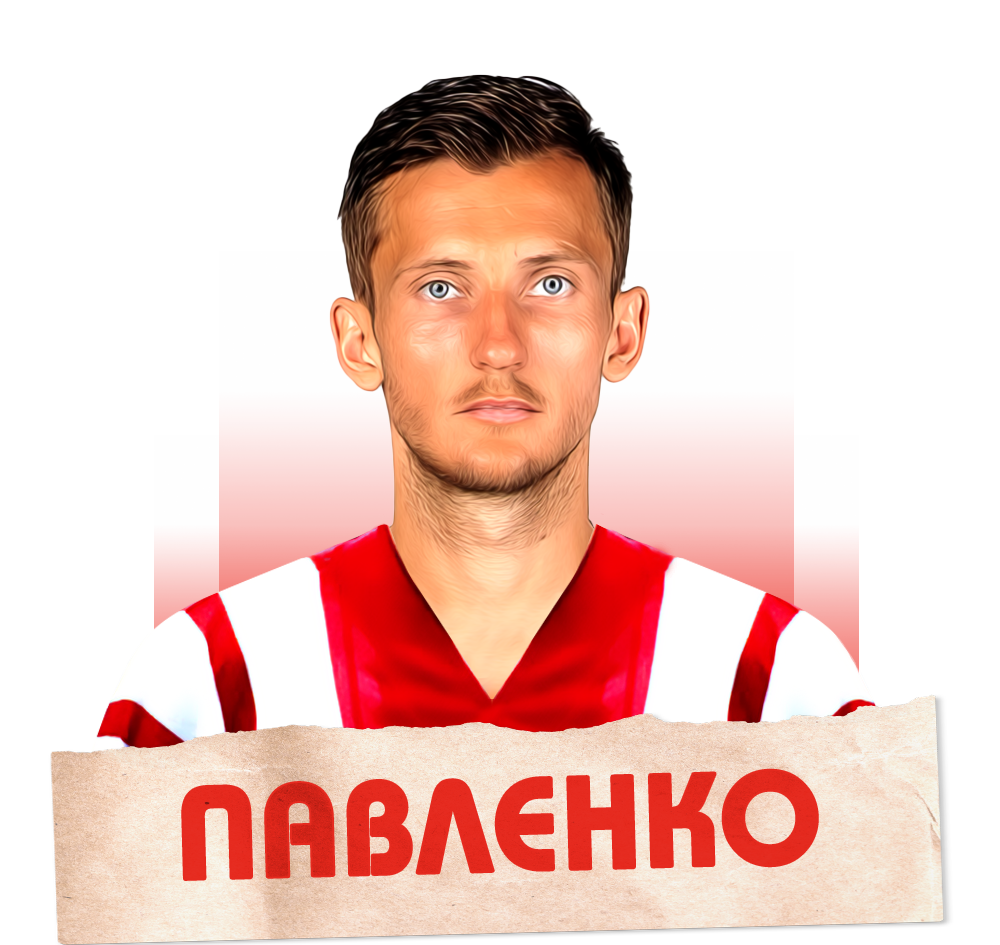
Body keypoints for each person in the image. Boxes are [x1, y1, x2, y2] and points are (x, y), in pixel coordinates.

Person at [96, 75, 873, 749]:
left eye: (550, 284)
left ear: (623, 332)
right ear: (359, 341)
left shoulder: (778, 684)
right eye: (441, 288)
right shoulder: (203, 686)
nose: (498, 345)